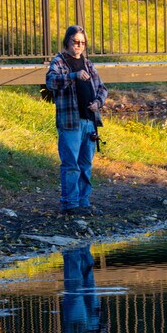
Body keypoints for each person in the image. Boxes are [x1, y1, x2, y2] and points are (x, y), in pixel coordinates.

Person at [46, 25, 107, 216]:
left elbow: (102, 89)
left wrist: (98, 103)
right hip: (70, 122)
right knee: (70, 164)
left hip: (89, 121)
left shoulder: (88, 64)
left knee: (85, 165)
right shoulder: (59, 62)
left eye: (82, 43)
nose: (79, 46)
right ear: (67, 42)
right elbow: (50, 82)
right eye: (75, 42)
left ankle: (84, 202)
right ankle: (70, 204)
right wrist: (73, 76)